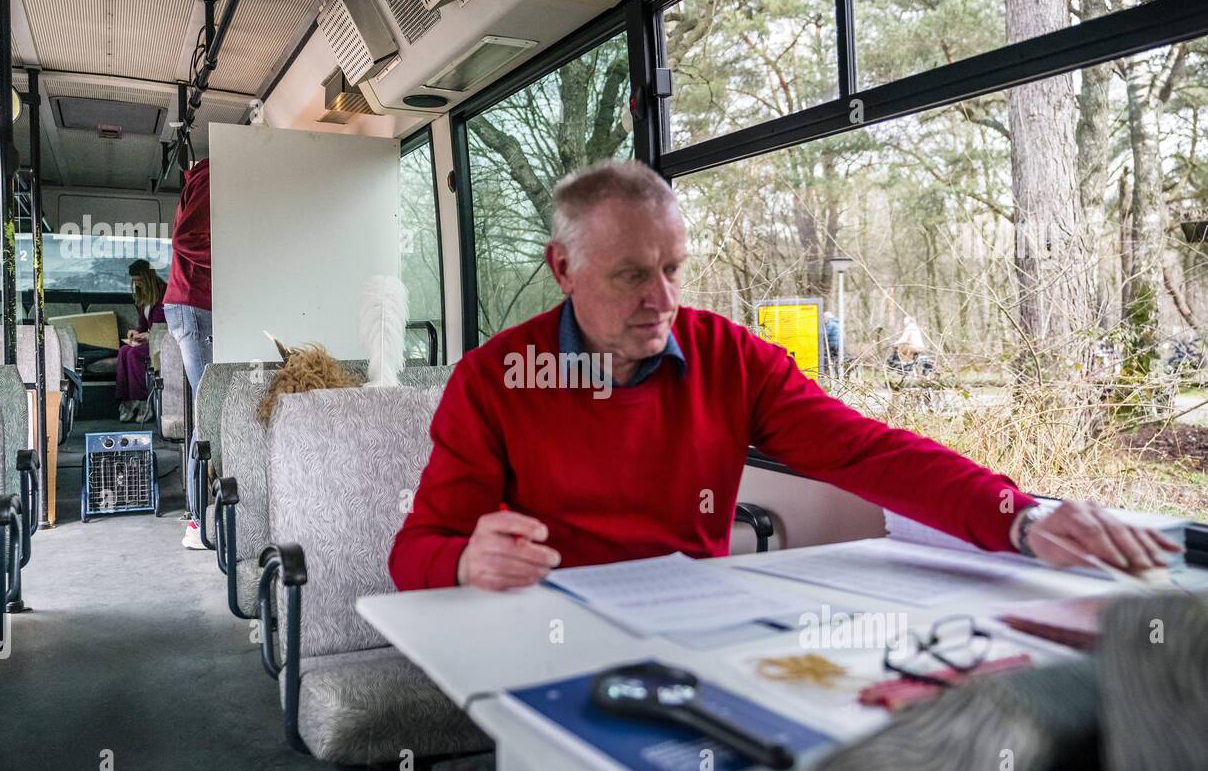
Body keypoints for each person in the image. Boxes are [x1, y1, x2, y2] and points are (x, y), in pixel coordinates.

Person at [388, 160, 1180, 592]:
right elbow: (416, 549)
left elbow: (870, 452)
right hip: (545, 625)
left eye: (673, 268)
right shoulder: (493, 380)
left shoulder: (731, 357)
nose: (662, 300)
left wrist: (1018, 516)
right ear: (562, 267)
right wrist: (462, 561)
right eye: (631, 274)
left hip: (695, 620)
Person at [163, 158, 212, 549]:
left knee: (208, 407)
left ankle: (201, 517)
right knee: (208, 409)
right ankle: (197, 523)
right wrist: (235, 262)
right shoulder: (215, 175)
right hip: (195, 304)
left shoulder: (204, 177)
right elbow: (187, 240)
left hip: (194, 303)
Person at [115, 259, 167, 421]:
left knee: (134, 354)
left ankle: (144, 401)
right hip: (149, 340)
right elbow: (143, 325)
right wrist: (136, 332)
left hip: (162, 341)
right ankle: (127, 401)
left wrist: (150, 336)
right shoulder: (144, 298)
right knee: (124, 351)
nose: (137, 285)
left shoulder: (164, 293)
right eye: (134, 282)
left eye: (139, 281)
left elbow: (167, 326)